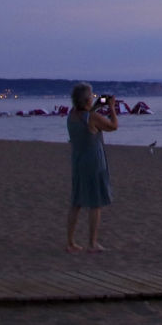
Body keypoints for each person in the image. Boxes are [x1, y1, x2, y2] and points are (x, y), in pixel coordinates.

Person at [65, 82, 117, 253]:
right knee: (95, 204)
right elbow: (113, 126)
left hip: (78, 161)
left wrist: (95, 107)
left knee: (76, 202)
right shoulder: (92, 117)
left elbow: (86, 117)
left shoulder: (72, 115)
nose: (94, 97)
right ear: (87, 100)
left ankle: (70, 242)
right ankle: (92, 243)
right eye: (92, 96)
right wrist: (112, 108)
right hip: (94, 163)